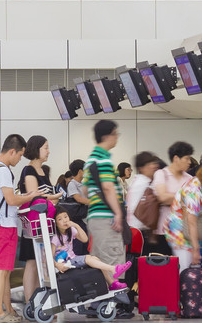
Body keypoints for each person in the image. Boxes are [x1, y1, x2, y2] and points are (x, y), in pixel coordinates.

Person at [0, 134, 44, 323]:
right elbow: (11, 200)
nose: (20, 159)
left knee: (4, 271)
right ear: (12, 151)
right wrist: (31, 196)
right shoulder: (3, 171)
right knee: (2, 271)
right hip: (4, 226)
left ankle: (8, 309)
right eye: (20, 155)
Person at [14, 135, 61, 304]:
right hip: (33, 224)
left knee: (40, 263)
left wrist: (52, 199)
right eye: (45, 147)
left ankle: (39, 301)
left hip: (44, 223)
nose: (48, 151)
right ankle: (30, 302)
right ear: (36, 149)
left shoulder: (43, 170)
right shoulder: (29, 170)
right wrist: (52, 198)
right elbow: (35, 196)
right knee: (32, 262)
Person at [82, 120, 126, 269]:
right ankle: (117, 292)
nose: (117, 137)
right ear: (107, 136)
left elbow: (85, 190)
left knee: (101, 262)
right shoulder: (103, 160)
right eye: (116, 134)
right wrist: (118, 213)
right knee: (113, 264)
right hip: (107, 219)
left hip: (95, 218)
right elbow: (108, 188)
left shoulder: (90, 160)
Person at [49, 209, 131, 287]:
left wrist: (76, 225)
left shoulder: (71, 230)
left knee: (95, 259)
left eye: (66, 216)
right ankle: (113, 269)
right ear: (55, 223)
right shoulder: (56, 237)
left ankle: (112, 283)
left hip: (73, 259)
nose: (64, 220)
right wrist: (57, 265)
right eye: (60, 219)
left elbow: (85, 239)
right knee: (88, 259)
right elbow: (49, 256)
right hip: (65, 263)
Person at [151, 142, 195, 254]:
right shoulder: (161, 174)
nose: (190, 162)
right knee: (165, 267)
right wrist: (185, 197)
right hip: (163, 231)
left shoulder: (189, 178)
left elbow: (194, 203)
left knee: (183, 267)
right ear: (176, 158)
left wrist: (171, 197)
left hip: (184, 232)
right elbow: (162, 197)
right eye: (187, 158)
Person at [125, 152, 161, 235]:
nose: (154, 166)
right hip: (140, 230)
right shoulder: (144, 183)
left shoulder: (137, 180)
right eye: (149, 164)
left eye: (154, 163)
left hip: (135, 228)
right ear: (140, 168)